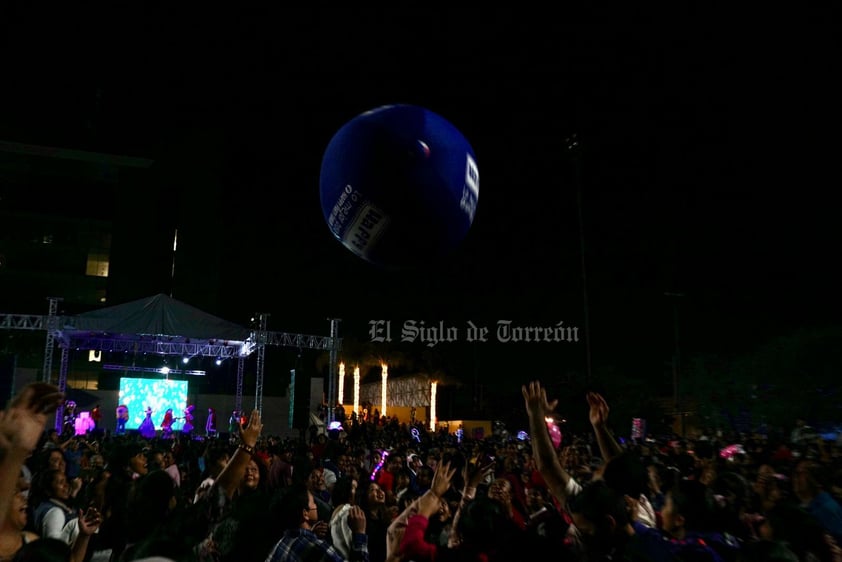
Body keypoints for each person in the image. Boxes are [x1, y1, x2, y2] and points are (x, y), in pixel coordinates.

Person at [265, 483, 370, 562]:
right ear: (305, 513)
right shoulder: (316, 546)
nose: (316, 506)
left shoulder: (283, 539)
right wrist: (359, 532)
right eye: (313, 503)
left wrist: (311, 533)